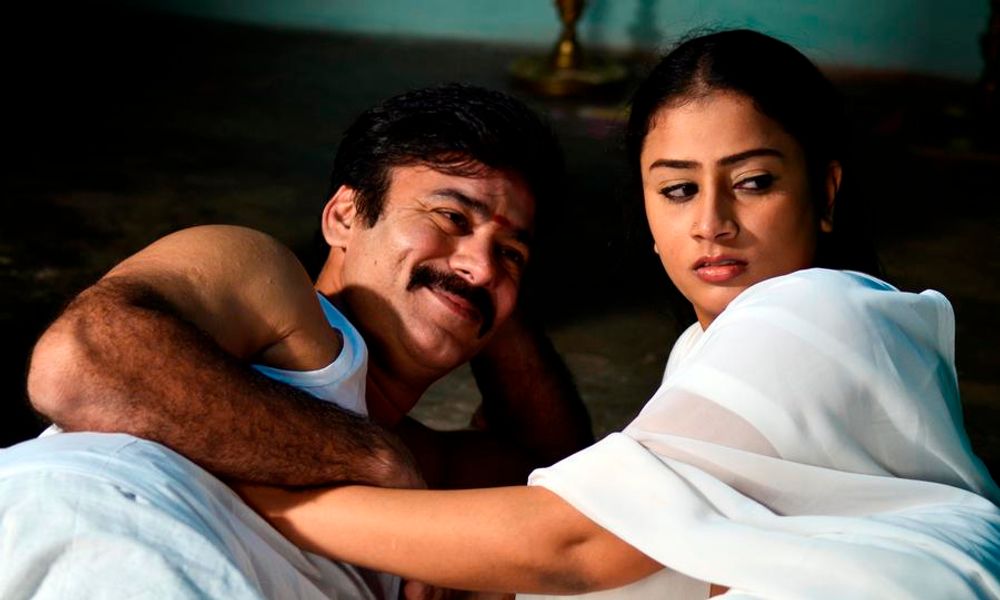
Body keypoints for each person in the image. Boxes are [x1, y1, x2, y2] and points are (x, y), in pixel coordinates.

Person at [237, 30, 1000, 598]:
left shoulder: (815, 315)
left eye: (753, 182)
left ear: (825, 194)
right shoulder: (717, 347)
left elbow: (578, 541)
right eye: (678, 190)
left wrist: (261, 500)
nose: (711, 223)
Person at [3, 84, 592, 598]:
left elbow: (564, 477)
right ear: (344, 216)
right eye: (451, 217)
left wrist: (478, 282)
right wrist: (370, 459)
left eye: (511, 254)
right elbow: (77, 364)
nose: (483, 267)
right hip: (107, 531)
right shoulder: (270, 292)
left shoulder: (425, 466)